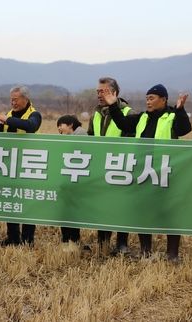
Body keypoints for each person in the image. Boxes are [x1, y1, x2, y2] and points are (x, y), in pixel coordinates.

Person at [107, 84, 191, 262]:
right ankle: (146, 252)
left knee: (169, 212)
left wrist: (181, 110)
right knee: (142, 211)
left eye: (152, 98)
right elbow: (122, 123)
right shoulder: (142, 117)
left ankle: (172, 255)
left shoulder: (172, 116)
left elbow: (185, 129)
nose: (148, 102)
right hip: (143, 171)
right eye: (147, 98)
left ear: (163, 99)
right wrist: (113, 105)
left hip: (166, 171)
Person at [90, 77, 135, 256]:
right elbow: (91, 136)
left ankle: (122, 243)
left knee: (121, 205)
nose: (99, 95)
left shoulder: (128, 112)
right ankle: (103, 242)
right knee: (102, 205)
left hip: (120, 166)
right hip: (101, 165)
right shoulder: (96, 112)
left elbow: (131, 138)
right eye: (98, 91)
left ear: (114, 93)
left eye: (103, 91)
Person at [0, 86, 42, 246]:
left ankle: (28, 239)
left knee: (27, 201)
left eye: (15, 99)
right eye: (11, 99)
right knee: (11, 201)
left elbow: (31, 126)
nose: (12, 102)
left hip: (28, 165)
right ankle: (12, 237)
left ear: (25, 99)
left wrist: (6, 120)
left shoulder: (34, 114)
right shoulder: (8, 115)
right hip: (9, 165)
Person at [56, 115, 87, 247]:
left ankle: (72, 240)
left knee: (71, 212)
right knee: (66, 211)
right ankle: (67, 240)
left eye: (60, 125)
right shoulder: (71, 137)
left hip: (76, 183)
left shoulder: (81, 136)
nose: (58, 128)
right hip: (69, 181)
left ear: (70, 125)